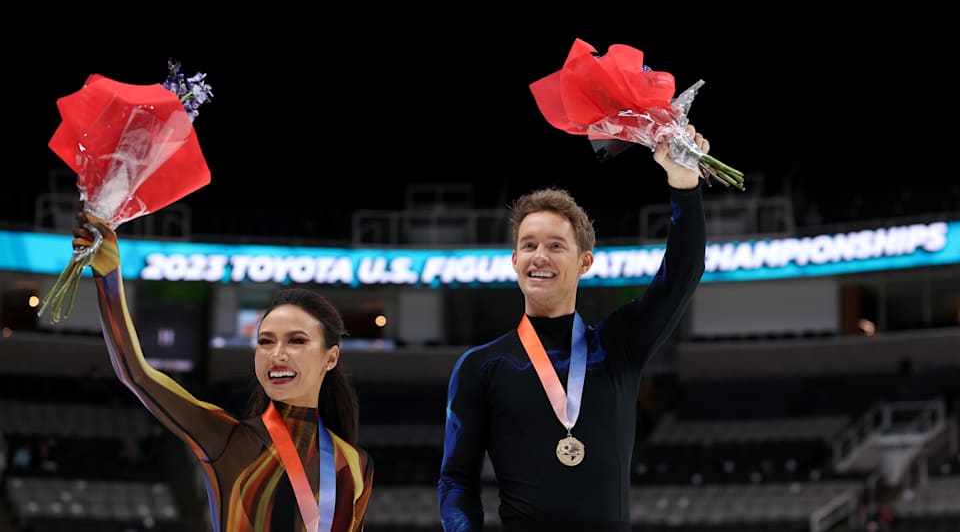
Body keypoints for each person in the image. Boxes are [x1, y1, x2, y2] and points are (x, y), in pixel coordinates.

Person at [438, 123, 709, 531]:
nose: (539, 256)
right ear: (514, 262)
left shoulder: (619, 346)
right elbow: (457, 480)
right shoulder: (481, 367)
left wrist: (685, 184)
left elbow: (683, 272)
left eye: (555, 245)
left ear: (584, 262)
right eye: (528, 245)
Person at [72, 211, 374, 532]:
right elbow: (137, 374)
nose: (277, 354)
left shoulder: (356, 465)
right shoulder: (228, 439)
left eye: (296, 341)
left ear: (330, 357)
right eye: (265, 341)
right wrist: (108, 279)